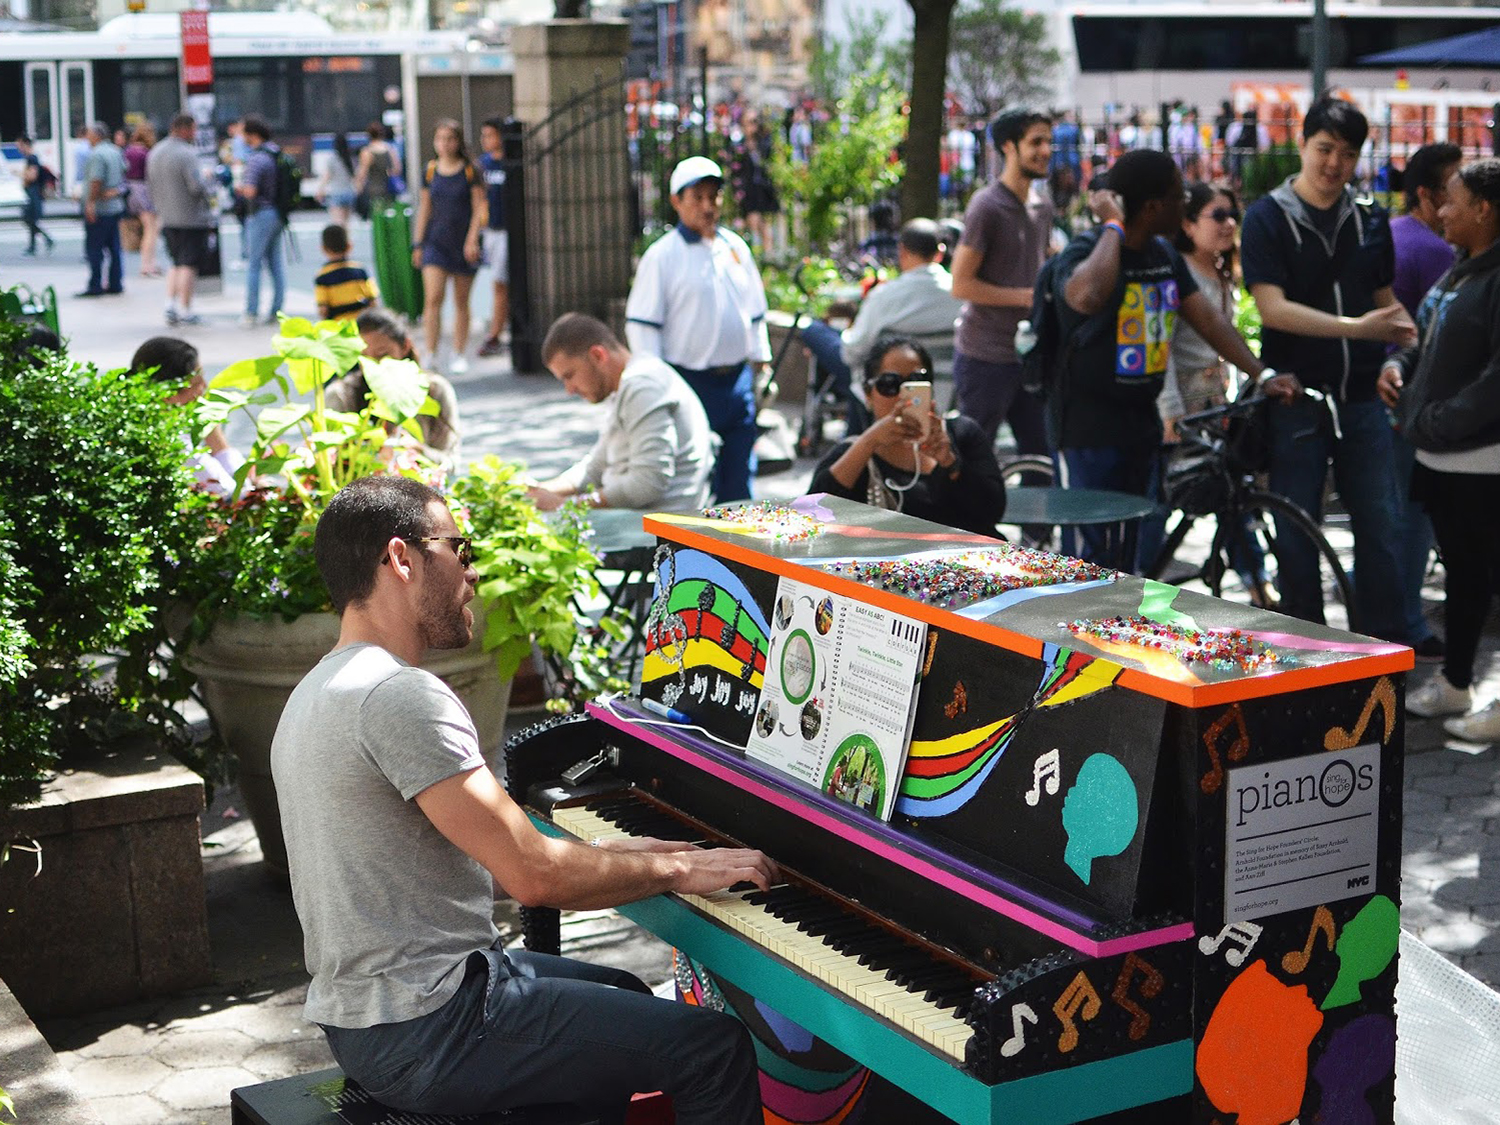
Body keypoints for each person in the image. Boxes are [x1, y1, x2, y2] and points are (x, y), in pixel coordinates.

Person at [271, 473, 771, 1119]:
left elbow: (463, 856)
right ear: (401, 558)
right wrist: (676, 865)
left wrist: (613, 854)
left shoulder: (321, 687)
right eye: (462, 550)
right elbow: (534, 875)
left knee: (621, 989)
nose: (472, 574)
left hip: (373, 1018)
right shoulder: (398, 695)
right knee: (712, 1048)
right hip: (433, 1025)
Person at [1052, 149, 1294, 568]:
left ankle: (1114, 630)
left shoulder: (1163, 257)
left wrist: (1262, 373)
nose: (1185, 205)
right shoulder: (1087, 251)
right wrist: (1113, 224)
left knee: (1127, 555)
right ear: (1152, 207)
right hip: (1087, 432)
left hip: (1139, 427)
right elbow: (1087, 296)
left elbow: (1211, 323)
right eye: (1178, 197)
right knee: (1088, 556)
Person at [1240, 96, 1417, 640]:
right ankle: (1308, 653)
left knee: (1382, 528)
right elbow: (1272, 309)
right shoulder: (1267, 217)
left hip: (1364, 396)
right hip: (1297, 398)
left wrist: (1396, 359)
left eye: (1346, 153)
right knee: (1296, 533)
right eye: (1324, 149)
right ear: (1302, 143)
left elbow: (1392, 311)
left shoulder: (1370, 218)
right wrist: (1359, 329)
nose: (1333, 163)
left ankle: (1381, 652)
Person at [1379, 159, 1500, 740]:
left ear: (1484, 209)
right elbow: (1420, 341)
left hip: (1482, 463)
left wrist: (1436, 420)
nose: (1440, 211)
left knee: (1487, 575)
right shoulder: (1460, 270)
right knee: (1464, 576)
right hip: (1442, 457)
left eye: (1452, 201)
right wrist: (1398, 367)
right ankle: (1456, 684)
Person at [625, 155, 771, 503]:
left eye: (714, 196)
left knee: (739, 479)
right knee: (692, 483)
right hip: (689, 382)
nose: (708, 206)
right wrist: (657, 383)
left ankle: (742, 554)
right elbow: (644, 327)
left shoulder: (735, 247)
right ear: (676, 201)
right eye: (698, 197)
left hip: (736, 382)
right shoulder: (662, 256)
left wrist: (761, 363)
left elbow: (754, 311)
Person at [1388, 142, 1463, 664]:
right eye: (1454, 187)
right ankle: (1408, 623)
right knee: (1415, 514)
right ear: (1427, 195)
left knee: (1395, 514)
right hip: (1418, 404)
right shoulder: (1438, 252)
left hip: (1386, 392)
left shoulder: (1391, 236)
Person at [810, 337, 1005, 535]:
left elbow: (992, 513)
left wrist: (951, 463)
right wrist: (869, 441)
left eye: (917, 381)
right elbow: (810, 518)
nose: (903, 396)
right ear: (868, 395)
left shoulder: (962, 433)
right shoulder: (856, 452)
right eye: (889, 384)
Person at [527, 313, 714, 512]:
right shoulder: (625, 383)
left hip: (653, 528)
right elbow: (596, 467)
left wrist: (565, 506)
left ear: (598, 355)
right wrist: (538, 490)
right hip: (634, 519)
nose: (569, 389)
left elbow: (648, 483)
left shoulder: (642, 388)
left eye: (569, 375)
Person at [950, 106, 1054, 451]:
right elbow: (961, 284)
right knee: (973, 460)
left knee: (1042, 464)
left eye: (1049, 142)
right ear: (1008, 146)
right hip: (985, 356)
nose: (1046, 151)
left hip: (1031, 356)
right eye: (1036, 142)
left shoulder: (1043, 205)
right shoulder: (987, 206)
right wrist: (1028, 296)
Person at [799, 219, 963, 430]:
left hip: (884, 393)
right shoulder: (959, 295)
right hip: (943, 389)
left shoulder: (884, 296)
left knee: (814, 331)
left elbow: (851, 353)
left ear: (902, 251)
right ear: (940, 253)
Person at [324, 308, 462, 469]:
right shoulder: (341, 394)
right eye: (364, 357)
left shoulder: (435, 389)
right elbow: (327, 459)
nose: (374, 366)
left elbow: (452, 463)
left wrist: (420, 451)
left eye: (383, 355)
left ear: (405, 347)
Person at [410, 119, 485, 375]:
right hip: (435, 242)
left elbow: (479, 208)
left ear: (458, 141)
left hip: (463, 244)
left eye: (449, 138)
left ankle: (458, 351)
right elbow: (424, 208)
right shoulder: (430, 170)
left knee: (461, 301)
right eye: (440, 138)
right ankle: (430, 352)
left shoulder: (470, 170)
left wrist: (473, 238)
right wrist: (417, 243)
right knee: (432, 299)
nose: (444, 144)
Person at [128, 336, 245, 494]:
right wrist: (215, 438)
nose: (205, 387)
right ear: (168, 394)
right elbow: (234, 494)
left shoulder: (134, 421)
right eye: (197, 382)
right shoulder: (172, 443)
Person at [148, 113, 218, 328]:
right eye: (194, 129)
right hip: (191, 217)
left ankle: (170, 304)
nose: (195, 134)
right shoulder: (187, 154)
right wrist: (208, 180)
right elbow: (196, 187)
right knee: (189, 264)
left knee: (176, 262)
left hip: (167, 216)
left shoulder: (156, 151)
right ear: (185, 128)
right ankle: (186, 309)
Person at [237, 115, 287, 327]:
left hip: (260, 214)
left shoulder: (256, 158)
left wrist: (236, 186)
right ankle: (276, 309)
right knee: (276, 264)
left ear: (252, 135)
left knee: (254, 264)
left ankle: (251, 312)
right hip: (277, 213)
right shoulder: (274, 152)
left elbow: (250, 190)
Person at [77, 121, 127, 299]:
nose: (87, 137)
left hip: (100, 208)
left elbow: (96, 180)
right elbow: (124, 173)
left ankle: (95, 284)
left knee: (95, 248)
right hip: (115, 207)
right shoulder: (115, 151)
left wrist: (90, 203)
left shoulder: (96, 154)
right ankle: (116, 283)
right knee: (114, 247)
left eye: (89, 134)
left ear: (97, 135)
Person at [475, 117, 509, 359]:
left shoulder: (510, 162)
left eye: (490, 135)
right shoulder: (483, 165)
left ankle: (495, 333)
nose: (486, 140)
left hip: (508, 230)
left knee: (500, 282)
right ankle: (497, 328)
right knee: (497, 282)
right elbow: (479, 201)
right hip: (490, 229)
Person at [728, 109, 779, 254]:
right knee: (752, 220)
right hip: (748, 189)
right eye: (749, 122)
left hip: (763, 188)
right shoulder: (739, 145)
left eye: (755, 122)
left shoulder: (763, 143)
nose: (752, 126)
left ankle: (767, 255)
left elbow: (769, 162)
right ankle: (754, 253)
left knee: (765, 223)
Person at [315, 224, 379, 321]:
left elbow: (323, 309)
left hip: (338, 326)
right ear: (349, 246)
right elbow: (372, 299)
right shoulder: (360, 270)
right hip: (361, 323)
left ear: (323, 249)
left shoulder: (322, 276)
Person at [124, 122, 161, 278]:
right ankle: (147, 265)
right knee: (151, 229)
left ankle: (149, 264)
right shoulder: (146, 153)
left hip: (131, 190)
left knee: (148, 228)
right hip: (144, 190)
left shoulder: (128, 151)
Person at [15, 135, 54, 257]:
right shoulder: (31, 158)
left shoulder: (32, 158)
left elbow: (32, 176)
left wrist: (20, 174)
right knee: (30, 219)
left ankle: (41, 242)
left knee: (29, 218)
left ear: (25, 145)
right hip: (33, 192)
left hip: (33, 192)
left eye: (19, 146)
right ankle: (37, 244)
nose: (18, 149)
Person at [353, 122, 396, 218]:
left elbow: (362, 172)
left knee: (376, 218)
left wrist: (358, 186)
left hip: (373, 190)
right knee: (388, 216)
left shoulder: (367, 151)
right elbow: (397, 169)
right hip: (388, 188)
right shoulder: (390, 149)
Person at [317, 133, 357, 226]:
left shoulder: (333, 158)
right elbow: (355, 175)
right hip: (349, 192)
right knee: (346, 225)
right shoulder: (350, 158)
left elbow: (327, 176)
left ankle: (340, 240)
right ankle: (347, 240)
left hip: (336, 192)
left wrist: (320, 190)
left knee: (338, 223)